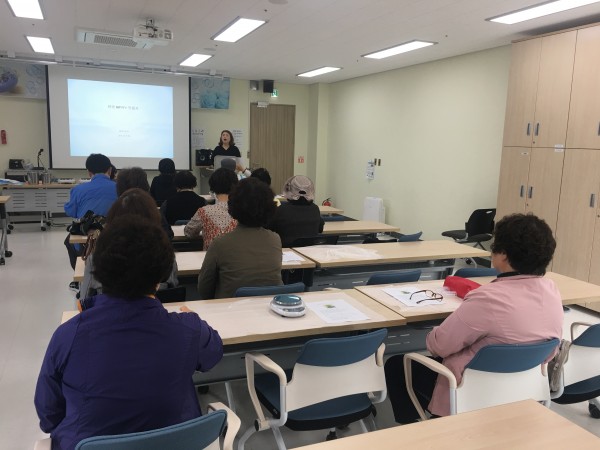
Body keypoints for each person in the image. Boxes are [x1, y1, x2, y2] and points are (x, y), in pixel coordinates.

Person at [35, 215, 223, 450]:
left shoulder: (68, 335)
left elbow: (48, 415)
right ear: (160, 277)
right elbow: (213, 353)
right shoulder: (188, 329)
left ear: (99, 272)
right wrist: (192, 319)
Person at [384, 213, 564, 422]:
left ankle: (421, 430)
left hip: (471, 392)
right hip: (522, 390)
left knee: (397, 365)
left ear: (503, 255)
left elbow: (439, 346)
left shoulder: (488, 298)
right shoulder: (551, 290)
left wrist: (437, 330)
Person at [80, 189, 179, 299]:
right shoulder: (165, 255)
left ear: (114, 219)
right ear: (154, 217)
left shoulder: (96, 259)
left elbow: (85, 299)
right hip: (156, 307)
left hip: (110, 309)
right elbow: (173, 290)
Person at [197, 177, 282, 299]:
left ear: (233, 206)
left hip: (229, 307)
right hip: (268, 306)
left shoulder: (220, 243)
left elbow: (204, 288)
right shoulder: (275, 239)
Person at [64, 153, 117, 270]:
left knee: (68, 241)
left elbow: (71, 212)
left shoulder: (78, 189)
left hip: (86, 241)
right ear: (109, 170)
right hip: (114, 239)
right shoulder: (120, 188)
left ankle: (80, 271)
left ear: (89, 172)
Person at [184, 168, 238, 250]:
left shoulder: (203, 212)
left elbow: (189, 233)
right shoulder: (242, 211)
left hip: (210, 257)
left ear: (212, 186)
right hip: (237, 256)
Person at [117, 167, 173, 239]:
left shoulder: (116, 212)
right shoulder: (154, 212)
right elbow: (168, 235)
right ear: (145, 185)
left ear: (120, 187)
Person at [268, 175, 324, 247]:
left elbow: (270, 229)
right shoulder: (315, 209)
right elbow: (320, 229)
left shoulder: (281, 210)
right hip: (309, 251)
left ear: (289, 190)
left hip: (285, 251)